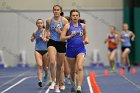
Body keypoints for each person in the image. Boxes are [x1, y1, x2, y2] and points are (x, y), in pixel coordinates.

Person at [60, 9, 89, 93]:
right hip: (70, 50)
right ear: (71, 17)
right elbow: (61, 38)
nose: (75, 17)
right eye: (73, 15)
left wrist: (86, 40)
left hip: (81, 49)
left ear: (79, 16)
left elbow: (86, 35)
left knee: (79, 67)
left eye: (76, 15)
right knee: (72, 71)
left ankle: (79, 86)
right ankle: (73, 84)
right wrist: (70, 36)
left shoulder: (83, 26)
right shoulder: (67, 26)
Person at [45, 5, 68, 92]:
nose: (56, 11)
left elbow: (67, 33)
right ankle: (53, 81)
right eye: (54, 10)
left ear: (60, 11)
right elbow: (46, 29)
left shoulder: (64, 21)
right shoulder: (49, 21)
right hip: (52, 42)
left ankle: (58, 84)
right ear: (53, 11)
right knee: (52, 61)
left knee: (59, 66)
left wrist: (60, 32)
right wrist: (46, 35)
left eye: (58, 10)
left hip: (61, 43)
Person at [31, 19, 49, 87]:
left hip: (45, 50)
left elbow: (49, 40)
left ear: (43, 24)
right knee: (40, 65)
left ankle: (46, 74)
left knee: (45, 67)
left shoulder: (46, 31)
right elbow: (32, 40)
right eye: (38, 23)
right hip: (37, 50)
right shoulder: (35, 32)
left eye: (41, 23)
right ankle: (40, 81)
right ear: (36, 24)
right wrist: (32, 37)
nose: (39, 24)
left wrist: (44, 39)